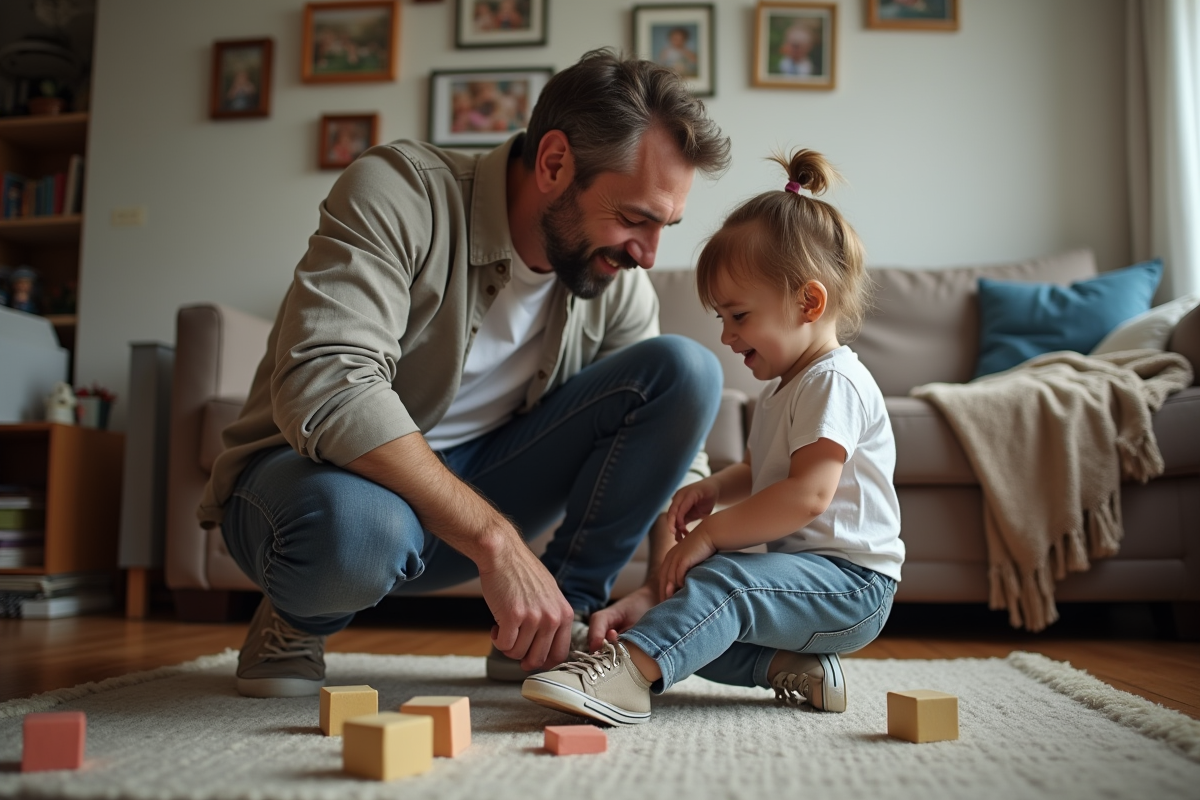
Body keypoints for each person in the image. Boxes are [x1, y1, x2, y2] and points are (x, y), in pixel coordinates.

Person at [200, 48, 731, 698]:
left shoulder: (614, 281)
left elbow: (672, 446)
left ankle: (548, 630)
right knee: (358, 531)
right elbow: (328, 383)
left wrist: (664, 578)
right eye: (633, 219)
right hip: (323, 492)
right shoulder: (400, 190)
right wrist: (496, 540)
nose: (648, 254)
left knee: (687, 371)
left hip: (473, 494)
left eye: (665, 226)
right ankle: (296, 615)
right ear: (554, 163)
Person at [522, 149, 903, 725]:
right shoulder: (780, 391)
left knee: (724, 582)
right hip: (810, 583)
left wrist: (713, 533)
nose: (726, 336)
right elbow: (762, 472)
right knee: (690, 616)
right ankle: (791, 667)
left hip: (852, 586)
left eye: (739, 316)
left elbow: (808, 494)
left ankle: (627, 678)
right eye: (721, 318)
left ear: (809, 302)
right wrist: (715, 489)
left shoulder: (834, 382)